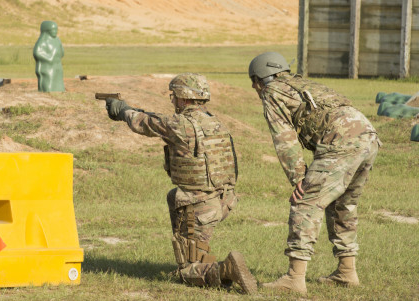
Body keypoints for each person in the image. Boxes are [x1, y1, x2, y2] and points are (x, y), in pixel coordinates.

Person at [102, 73, 257, 294]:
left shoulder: (179, 125)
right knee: (174, 196)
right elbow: (158, 120)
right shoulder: (215, 122)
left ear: (184, 98)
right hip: (223, 200)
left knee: (187, 272)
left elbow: (143, 123)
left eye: (174, 95)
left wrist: (122, 111)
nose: (172, 100)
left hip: (199, 206)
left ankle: (226, 269)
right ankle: (201, 260)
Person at [248, 52, 381, 294]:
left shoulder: (273, 91)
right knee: (344, 204)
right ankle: (346, 271)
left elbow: (284, 138)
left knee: (305, 202)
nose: (256, 90)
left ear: (259, 79)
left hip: (341, 142)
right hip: (368, 136)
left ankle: (294, 278)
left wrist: (298, 178)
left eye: (254, 84)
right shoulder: (302, 83)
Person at [33, 20, 64, 92]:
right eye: (53, 30)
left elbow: (61, 49)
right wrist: (48, 58)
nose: (55, 32)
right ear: (47, 30)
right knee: (49, 78)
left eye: (56, 30)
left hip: (57, 64)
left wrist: (60, 55)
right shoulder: (43, 40)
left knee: (58, 77)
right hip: (47, 67)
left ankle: (59, 89)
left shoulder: (57, 39)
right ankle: (47, 90)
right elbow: (37, 52)